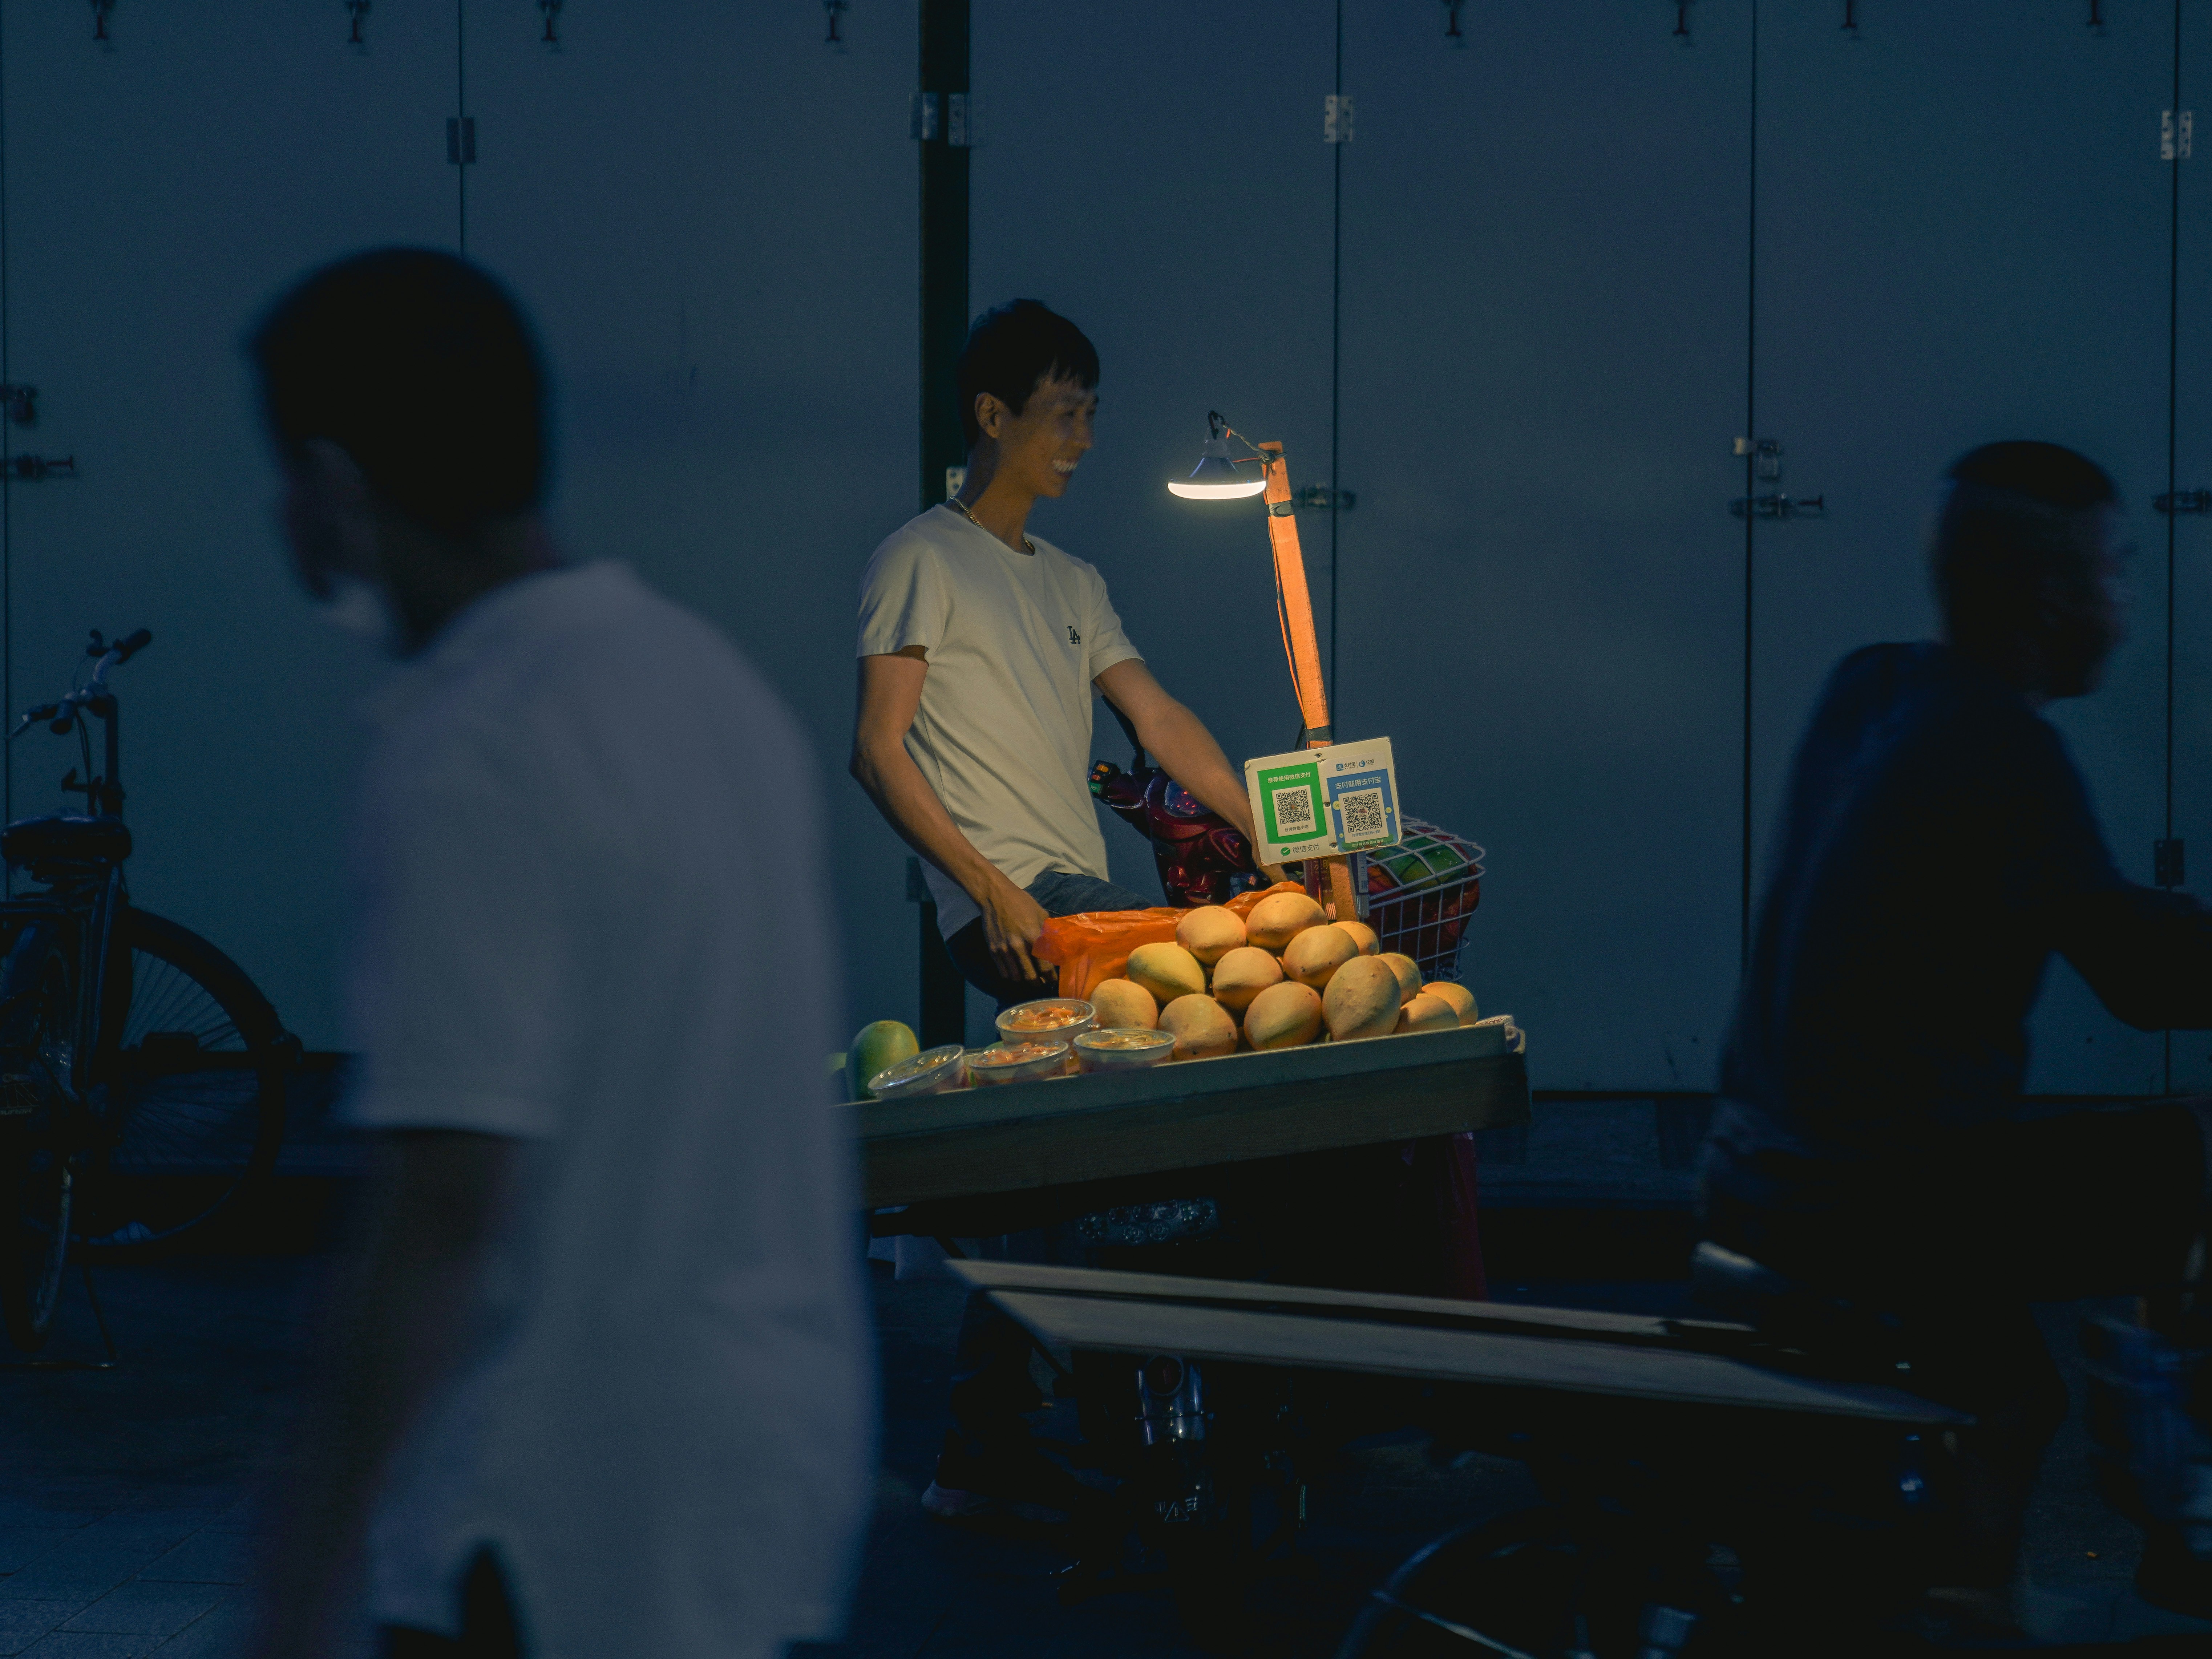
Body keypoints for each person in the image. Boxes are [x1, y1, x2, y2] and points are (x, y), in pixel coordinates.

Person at [244, 249, 871, 1659]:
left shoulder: (475, 743)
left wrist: (287, 1597)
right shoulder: (702, 683)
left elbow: (443, 1204)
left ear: (339, 490)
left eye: (285, 477)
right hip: (763, 1456)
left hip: (553, 1492)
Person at [1698, 440, 2212, 1634]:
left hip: (1758, 1172)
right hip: (1885, 1201)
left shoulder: (1871, 684)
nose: (2129, 600)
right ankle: (2189, 1498)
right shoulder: (2002, 746)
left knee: (2006, 1381)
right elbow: (2143, 970)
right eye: (2119, 569)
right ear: (2055, 593)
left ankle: (1971, 1581)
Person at [850, 298, 1282, 1009]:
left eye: (1091, 414)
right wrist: (992, 889)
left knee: (1242, 977)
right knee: (1222, 983)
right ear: (993, 416)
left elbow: (1159, 719)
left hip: (1075, 892)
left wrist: (1257, 829)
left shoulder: (1074, 580)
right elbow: (875, 750)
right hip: (1012, 898)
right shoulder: (919, 559)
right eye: (1064, 413)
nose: (1083, 438)